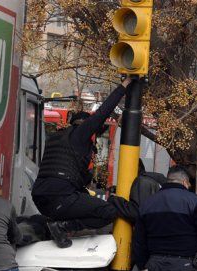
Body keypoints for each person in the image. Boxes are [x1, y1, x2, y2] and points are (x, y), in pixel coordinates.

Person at [32, 77, 134, 248]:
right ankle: (63, 227)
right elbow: (102, 112)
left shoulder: (56, 139)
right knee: (107, 212)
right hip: (60, 196)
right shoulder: (80, 134)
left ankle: (54, 228)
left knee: (85, 200)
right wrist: (124, 86)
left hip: (41, 197)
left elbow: (66, 175)